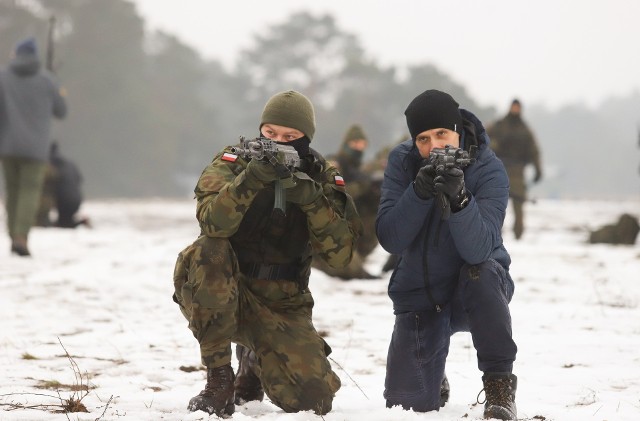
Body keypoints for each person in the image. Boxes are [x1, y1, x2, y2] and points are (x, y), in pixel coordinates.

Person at [172, 90, 362, 417]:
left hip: (283, 302)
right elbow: (213, 224)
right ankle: (219, 380)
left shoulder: (322, 176)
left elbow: (340, 256)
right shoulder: (233, 163)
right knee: (209, 249)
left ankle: (252, 363)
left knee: (313, 400)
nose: (279, 142)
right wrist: (252, 178)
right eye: (271, 133)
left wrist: (311, 199)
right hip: (226, 289)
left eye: (290, 137)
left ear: (306, 138)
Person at [376, 89, 518, 420]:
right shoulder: (403, 161)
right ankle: (432, 369)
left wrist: (460, 201)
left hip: (477, 287)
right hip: (421, 291)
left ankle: (499, 384)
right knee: (406, 406)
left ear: (457, 129)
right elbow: (391, 238)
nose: (434, 146)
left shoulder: (488, 169)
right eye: (423, 139)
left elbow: (480, 249)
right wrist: (419, 191)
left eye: (442, 134)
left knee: (481, 274)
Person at [0, 37, 68, 256]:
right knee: (29, 192)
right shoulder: (47, 80)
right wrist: (56, 86)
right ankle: (21, 236)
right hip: (36, 148)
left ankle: (13, 236)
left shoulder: (3, 77)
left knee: (12, 191)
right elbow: (61, 111)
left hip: (8, 145)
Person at [314, 124, 378, 280]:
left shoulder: (360, 169)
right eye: (354, 143)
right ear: (346, 144)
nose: (358, 148)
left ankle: (355, 259)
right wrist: (359, 187)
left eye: (362, 144)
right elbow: (329, 194)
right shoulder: (335, 164)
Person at [487, 99, 542, 240]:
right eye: (514, 107)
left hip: (518, 171)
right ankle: (495, 233)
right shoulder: (499, 126)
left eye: (518, 107)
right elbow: (483, 138)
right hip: (500, 169)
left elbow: (534, 150)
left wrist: (538, 169)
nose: (515, 110)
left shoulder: (525, 129)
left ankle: (518, 235)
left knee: (518, 205)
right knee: (498, 204)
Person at [36, 142, 89, 228]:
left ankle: (43, 222)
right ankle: (82, 222)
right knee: (65, 222)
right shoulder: (70, 163)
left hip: (63, 201)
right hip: (76, 200)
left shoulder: (49, 164)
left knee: (62, 224)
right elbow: (79, 179)